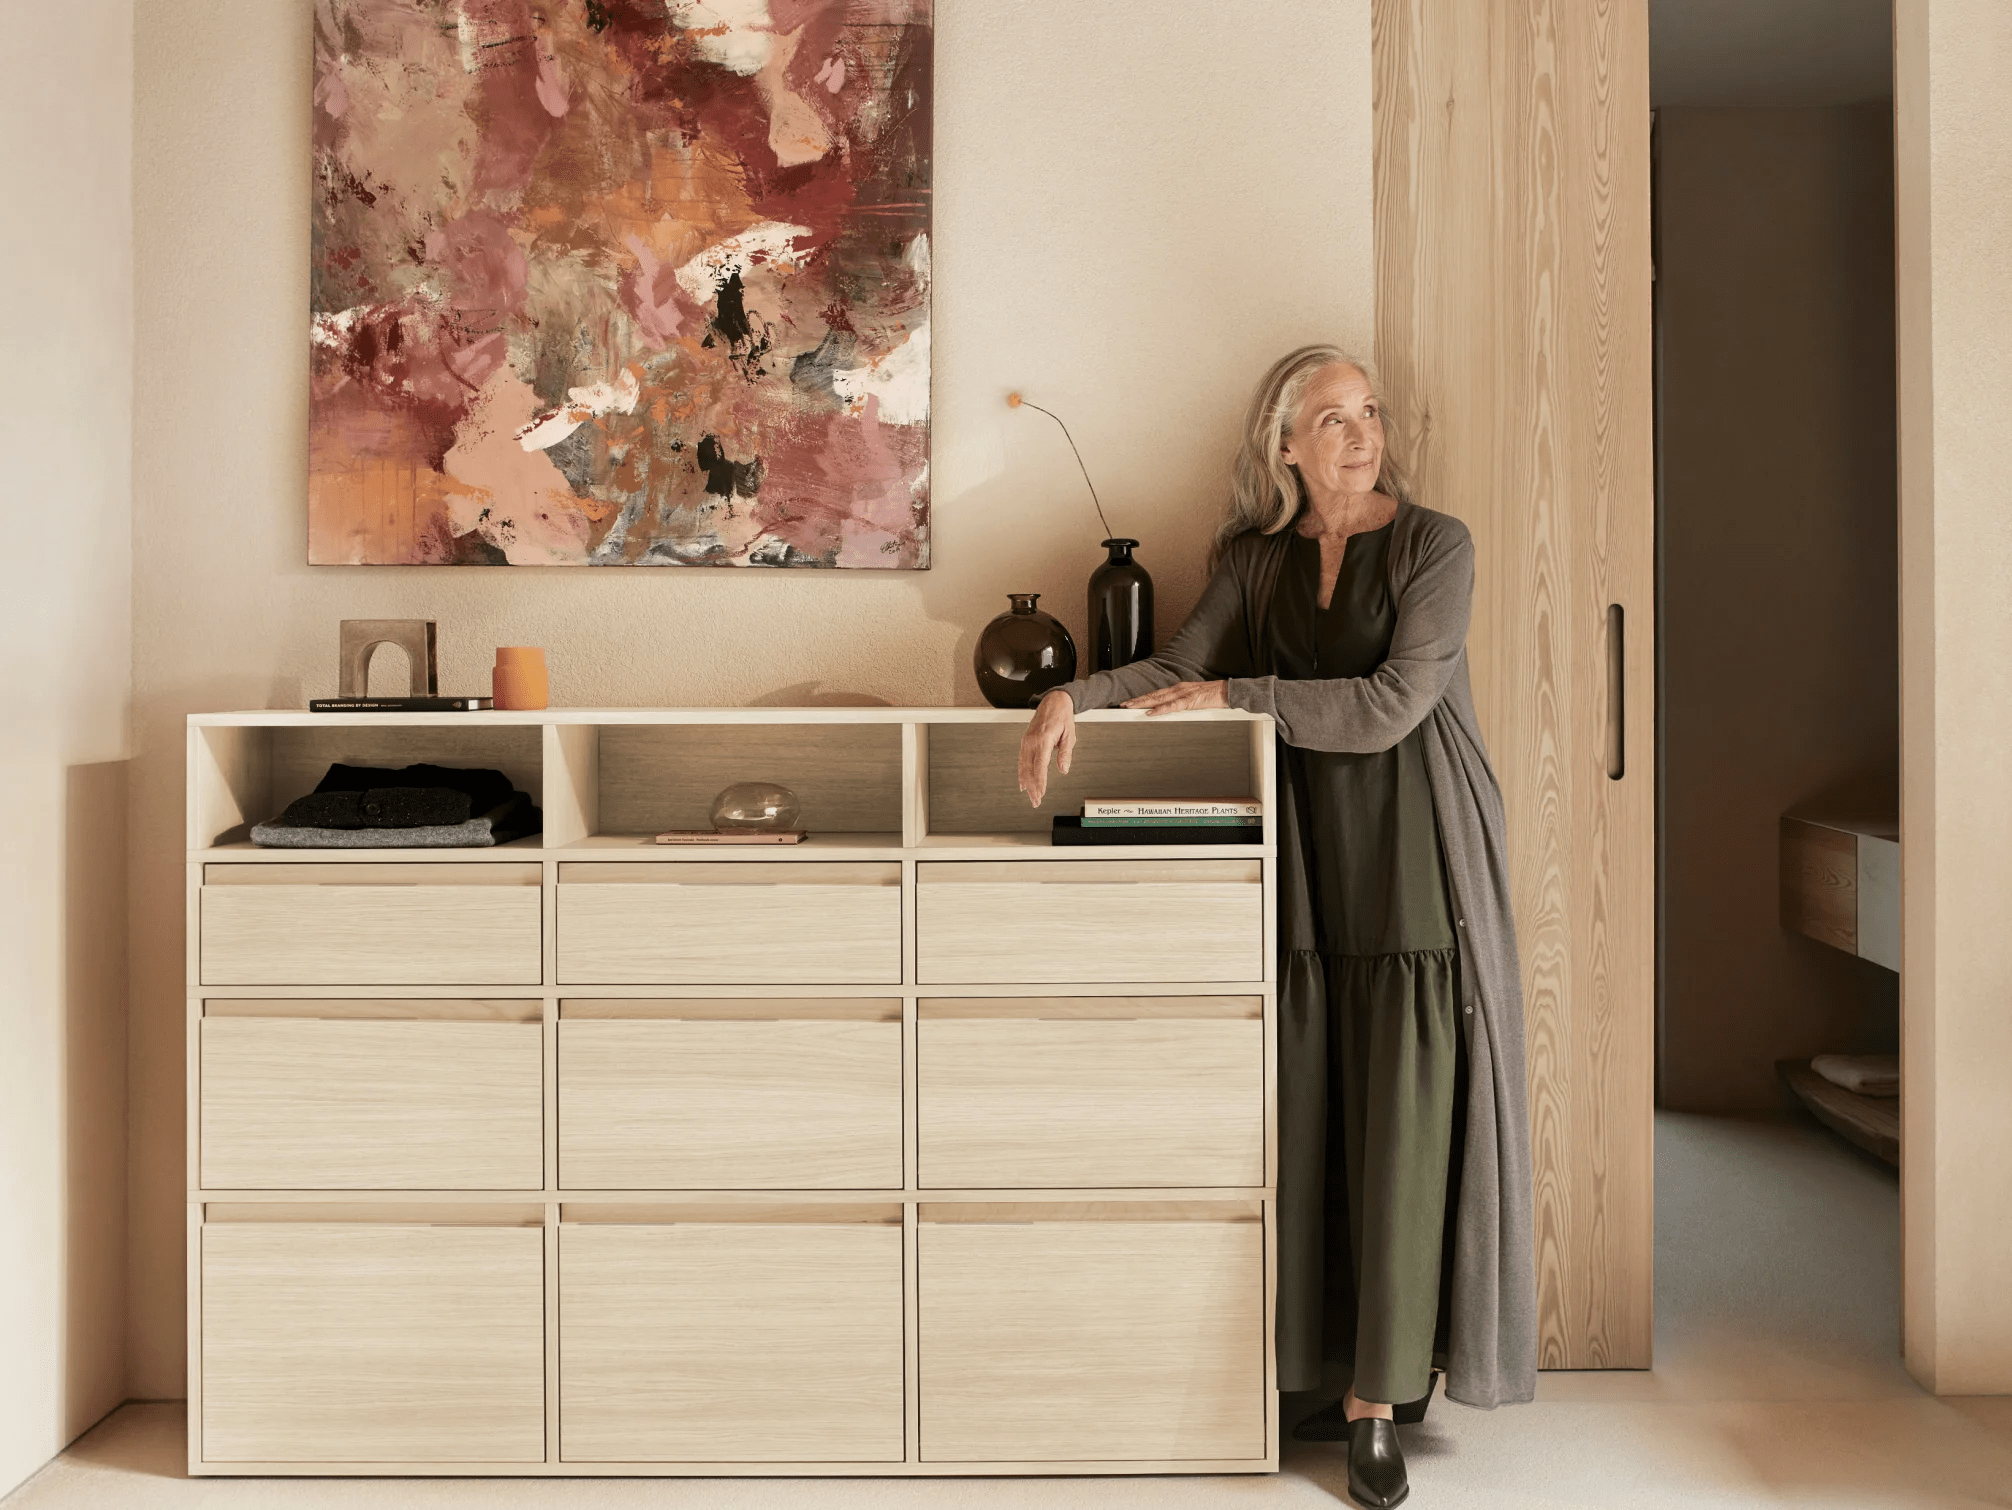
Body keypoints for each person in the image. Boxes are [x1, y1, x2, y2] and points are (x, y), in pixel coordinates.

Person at [1018, 345, 1537, 1508]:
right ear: (1283, 446)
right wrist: (1069, 696)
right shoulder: (1250, 562)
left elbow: (1394, 700)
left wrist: (1241, 697)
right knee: (1306, 1123)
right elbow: (1178, 664)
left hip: (1415, 864)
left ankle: (1374, 1409)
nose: (1358, 433)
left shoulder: (1433, 544)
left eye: (1367, 412)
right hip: (1304, 869)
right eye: (1328, 417)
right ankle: (1301, 1374)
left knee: (1401, 1141)